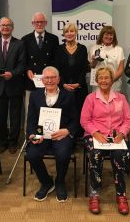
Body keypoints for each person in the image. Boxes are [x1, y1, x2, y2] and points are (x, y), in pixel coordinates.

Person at [81, 66, 130, 215]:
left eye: (107, 78)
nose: (104, 80)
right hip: (94, 135)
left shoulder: (121, 98)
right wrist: (95, 133)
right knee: (95, 154)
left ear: (112, 80)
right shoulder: (90, 99)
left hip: (116, 136)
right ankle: (94, 194)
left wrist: (122, 134)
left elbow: (127, 120)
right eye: (101, 78)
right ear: (96, 81)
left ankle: (121, 195)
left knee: (119, 154)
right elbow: (84, 120)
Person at [26, 66, 77, 203]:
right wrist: (33, 135)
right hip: (41, 134)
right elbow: (31, 119)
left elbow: (75, 119)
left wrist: (67, 131)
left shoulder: (69, 95)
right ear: (42, 80)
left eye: (53, 77)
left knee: (63, 153)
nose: (50, 80)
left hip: (61, 134)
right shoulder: (35, 95)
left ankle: (60, 182)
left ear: (58, 79)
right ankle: (46, 182)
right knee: (32, 154)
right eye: (47, 78)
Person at [0, 17, 26, 154]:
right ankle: (2, 141)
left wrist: (13, 74)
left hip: (15, 84)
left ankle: (13, 142)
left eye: (8, 25)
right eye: (2, 25)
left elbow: (22, 64)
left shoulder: (20, 44)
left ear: (12, 27)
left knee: (15, 117)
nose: (5, 27)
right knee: (0, 117)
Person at [21, 12, 59, 125]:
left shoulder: (53, 39)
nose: (39, 24)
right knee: (31, 111)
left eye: (41, 22)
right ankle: (29, 137)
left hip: (49, 82)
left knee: (48, 110)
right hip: (31, 81)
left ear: (45, 23)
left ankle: (48, 135)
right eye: (37, 22)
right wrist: (28, 69)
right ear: (33, 23)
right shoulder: (25, 39)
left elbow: (55, 60)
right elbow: (24, 60)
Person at [55, 23, 89, 137]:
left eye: (72, 31)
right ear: (64, 34)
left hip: (79, 88)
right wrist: (63, 84)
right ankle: (66, 136)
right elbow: (57, 69)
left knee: (79, 111)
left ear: (76, 33)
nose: (69, 33)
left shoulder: (83, 48)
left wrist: (78, 83)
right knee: (65, 112)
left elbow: (84, 69)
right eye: (67, 31)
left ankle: (78, 136)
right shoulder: (59, 49)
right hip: (63, 88)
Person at [89, 25, 125, 92]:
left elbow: (121, 69)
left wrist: (110, 81)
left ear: (114, 37)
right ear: (102, 35)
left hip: (114, 84)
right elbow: (92, 66)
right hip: (98, 84)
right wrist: (94, 61)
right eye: (106, 34)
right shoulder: (94, 48)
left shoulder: (119, 49)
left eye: (111, 35)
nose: (108, 37)